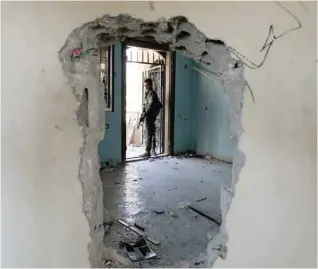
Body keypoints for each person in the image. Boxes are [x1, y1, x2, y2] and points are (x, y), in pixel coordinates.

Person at [138, 78, 163, 158]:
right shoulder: (148, 93)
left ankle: (149, 151)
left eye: (146, 85)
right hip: (148, 116)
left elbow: (150, 105)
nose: (145, 87)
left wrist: (144, 114)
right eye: (144, 85)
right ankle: (151, 151)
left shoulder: (152, 94)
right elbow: (146, 105)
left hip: (150, 116)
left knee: (150, 133)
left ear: (150, 85)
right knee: (150, 133)